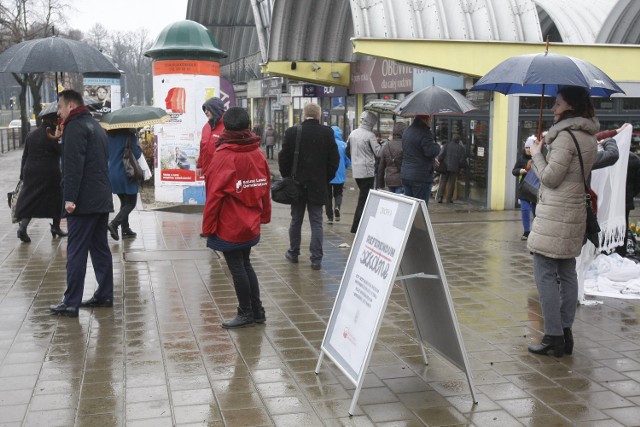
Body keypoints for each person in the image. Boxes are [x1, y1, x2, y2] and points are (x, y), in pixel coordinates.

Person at [527, 86, 598, 357]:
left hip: (555, 214)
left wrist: (536, 154)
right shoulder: (588, 136)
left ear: (570, 106)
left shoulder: (566, 138)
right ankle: (565, 333)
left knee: (544, 273)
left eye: (558, 103)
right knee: (567, 272)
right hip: (574, 213)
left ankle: (553, 337)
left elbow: (550, 179)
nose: (554, 107)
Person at [202, 107, 271, 328]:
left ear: (226, 127)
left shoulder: (224, 155)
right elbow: (265, 187)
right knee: (245, 263)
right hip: (250, 222)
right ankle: (257, 310)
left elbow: (213, 195)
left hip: (230, 224)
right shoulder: (257, 152)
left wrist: (208, 227)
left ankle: (246, 313)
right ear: (247, 126)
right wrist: (264, 216)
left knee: (237, 267)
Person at [49, 89, 114, 317]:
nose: (58, 111)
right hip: (100, 198)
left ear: (70, 105)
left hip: (83, 202)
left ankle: (70, 303)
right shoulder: (95, 125)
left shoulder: (76, 127)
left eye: (59, 106)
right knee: (100, 249)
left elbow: (74, 166)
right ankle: (105, 294)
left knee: (76, 251)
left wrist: (70, 199)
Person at [279, 103, 339, 270]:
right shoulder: (327, 133)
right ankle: (316, 259)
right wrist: (325, 178)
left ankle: (294, 253)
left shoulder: (292, 132)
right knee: (317, 222)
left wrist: (287, 177)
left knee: (296, 220)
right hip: (318, 185)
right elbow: (334, 160)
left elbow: (283, 159)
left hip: (296, 185)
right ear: (319, 116)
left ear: (303, 115)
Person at [14, 112, 67, 243]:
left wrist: (22, 174)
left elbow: (25, 155)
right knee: (57, 198)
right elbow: (61, 151)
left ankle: (23, 227)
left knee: (31, 199)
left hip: (30, 170)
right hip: (49, 172)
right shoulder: (52, 134)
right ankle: (55, 227)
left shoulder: (31, 134)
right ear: (52, 121)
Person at [347, 110, 381, 233]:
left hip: (356, 170)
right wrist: (383, 144)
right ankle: (356, 226)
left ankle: (361, 224)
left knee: (364, 197)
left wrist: (355, 160)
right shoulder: (370, 135)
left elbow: (347, 150)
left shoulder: (353, 133)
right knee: (364, 199)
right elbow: (378, 152)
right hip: (367, 171)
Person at [106, 129, 142, 241]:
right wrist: (139, 148)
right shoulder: (129, 136)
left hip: (113, 173)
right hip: (127, 173)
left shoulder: (109, 137)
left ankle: (125, 229)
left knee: (124, 202)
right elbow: (136, 154)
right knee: (131, 203)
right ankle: (114, 224)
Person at [401, 115, 441, 205]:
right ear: (426, 119)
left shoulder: (407, 131)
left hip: (406, 174)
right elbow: (430, 151)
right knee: (420, 209)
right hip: (420, 176)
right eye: (430, 118)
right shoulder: (425, 132)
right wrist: (437, 146)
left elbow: (414, 151)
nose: (431, 121)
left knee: (409, 207)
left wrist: (432, 160)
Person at [512, 136, 536, 240]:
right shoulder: (521, 159)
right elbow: (514, 171)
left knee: (536, 212)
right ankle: (526, 232)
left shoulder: (538, 158)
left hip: (535, 190)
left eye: (530, 148)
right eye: (527, 148)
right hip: (524, 189)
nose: (528, 150)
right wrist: (520, 171)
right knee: (525, 211)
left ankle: (537, 231)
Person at [196, 97, 226, 178]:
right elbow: (202, 147)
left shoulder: (227, 125)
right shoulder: (206, 127)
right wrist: (200, 165)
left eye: (208, 109)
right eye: (204, 110)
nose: (205, 112)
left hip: (222, 173)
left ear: (215, 109)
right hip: (208, 172)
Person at [326, 125, 351, 223]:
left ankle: (330, 217)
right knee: (338, 193)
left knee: (328, 195)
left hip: (328, 174)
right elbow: (348, 160)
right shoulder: (343, 145)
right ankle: (337, 207)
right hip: (340, 174)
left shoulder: (327, 144)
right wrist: (344, 167)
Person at [436, 133, 467, 203]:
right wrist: (462, 167)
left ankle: (440, 197)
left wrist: (440, 162)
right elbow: (462, 160)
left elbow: (440, 156)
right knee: (452, 183)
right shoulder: (461, 148)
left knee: (443, 181)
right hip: (455, 168)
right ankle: (449, 198)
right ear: (458, 140)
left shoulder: (446, 145)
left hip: (445, 166)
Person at [377, 121, 406, 194]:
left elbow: (381, 167)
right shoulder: (405, 145)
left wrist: (381, 184)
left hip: (389, 180)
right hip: (401, 180)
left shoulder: (387, 145)